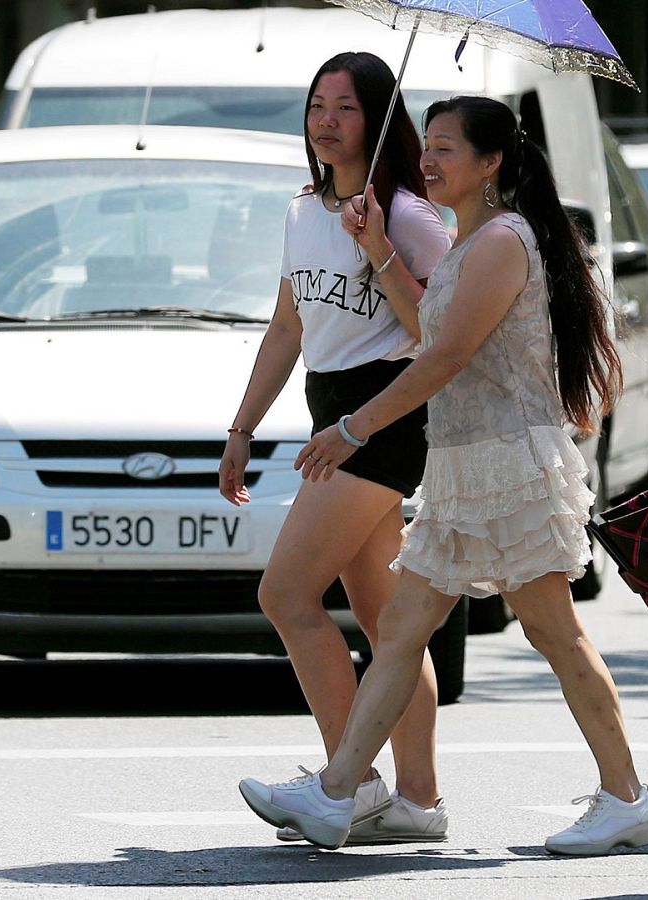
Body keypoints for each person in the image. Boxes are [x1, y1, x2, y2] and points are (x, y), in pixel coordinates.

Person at [236, 95, 648, 855]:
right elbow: (427, 320)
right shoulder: (470, 240)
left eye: (446, 149)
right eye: (425, 146)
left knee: (552, 632)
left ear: (492, 162)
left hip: (509, 467)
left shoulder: (502, 240)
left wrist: (353, 428)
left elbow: (445, 356)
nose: (428, 161)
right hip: (463, 467)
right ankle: (345, 793)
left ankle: (627, 797)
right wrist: (378, 250)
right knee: (400, 629)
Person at [219, 51, 452, 845]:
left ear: (379, 117)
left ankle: (348, 783)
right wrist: (242, 430)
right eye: (317, 104)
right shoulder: (301, 210)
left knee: (285, 596)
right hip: (329, 411)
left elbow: (443, 338)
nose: (325, 120)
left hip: (383, 418)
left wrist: (381, 246)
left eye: (345, 107)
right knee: (389, 622)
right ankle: (417, 803)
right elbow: (288, 328)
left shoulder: (412, 216)